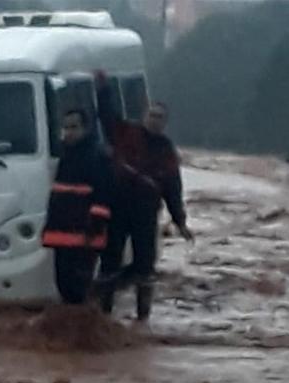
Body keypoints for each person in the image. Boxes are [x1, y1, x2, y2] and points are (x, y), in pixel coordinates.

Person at [94, 71, 194, 321]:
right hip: (117, 208)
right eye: (152, 115)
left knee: (145, 265)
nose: (155, 121)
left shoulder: (166, 150)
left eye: (160, 118)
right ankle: (104, 311)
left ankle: (143, 317)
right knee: (110, 259)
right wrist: (102, 88)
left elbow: (173, 188)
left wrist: (180, 222)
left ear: (165, 123)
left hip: (146, 213)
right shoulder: (126, 133)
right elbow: (107, 117)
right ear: (144, 116)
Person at [42, 109, 115, 305]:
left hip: (85, 235)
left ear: (86, 128)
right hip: (62, 234)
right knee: (64, 286)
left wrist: (96, 224)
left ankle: (84, 328)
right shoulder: (67, 155)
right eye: (65, 127)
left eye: (74, 127)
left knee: (78, 288)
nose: (68, 132)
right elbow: (60, 194)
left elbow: (104, 194)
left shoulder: (97, 156)